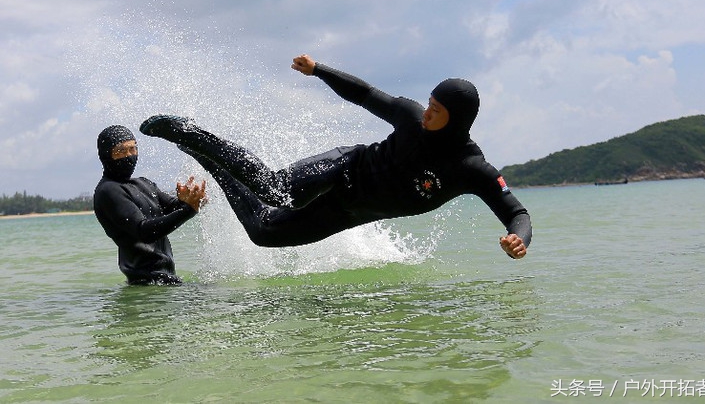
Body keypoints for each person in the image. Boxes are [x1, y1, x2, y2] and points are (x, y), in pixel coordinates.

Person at [139, 54, 531, 259]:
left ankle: (206, 156)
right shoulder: (411, 118)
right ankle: (193, 132)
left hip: (349, 213)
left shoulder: (471, 168)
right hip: (345, 168)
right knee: (275, 190)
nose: (427, 113)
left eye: (437, 110)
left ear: (457, 119)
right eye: (429, 104)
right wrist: (318, 70)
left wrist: (519, 238)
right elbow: (365, 94)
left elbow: (516, 212)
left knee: (264, 232)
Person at [93, 125, 207, 285]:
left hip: (164, 282)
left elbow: (174, 208)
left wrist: (189, 200)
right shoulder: (108, 191)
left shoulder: (144, 184)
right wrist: (189, 210)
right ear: (106, 155)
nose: (129, 156)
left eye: (133, 149)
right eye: (121, 151)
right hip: (144, 286)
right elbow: (144, 231)